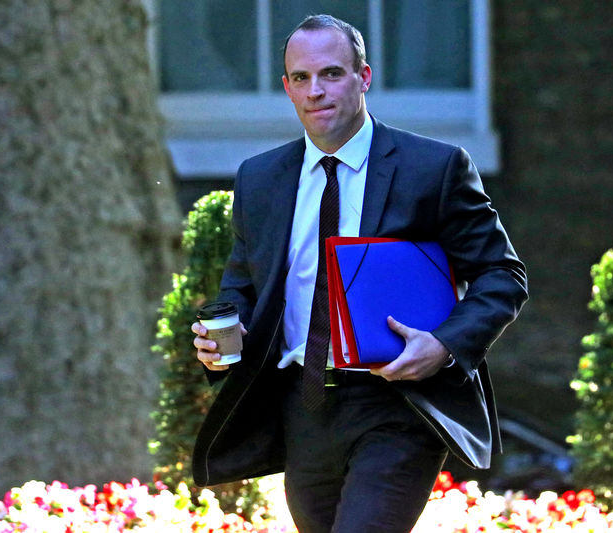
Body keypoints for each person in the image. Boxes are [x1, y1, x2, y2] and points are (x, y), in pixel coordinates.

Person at [191, 14, 528, 533]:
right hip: (303, 406)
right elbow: (244, 286)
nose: (315, 91)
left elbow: (502, 275)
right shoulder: (259, 179)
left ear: (363, 77)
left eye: (331, 74)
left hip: (397, 404)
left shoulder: (432, 168)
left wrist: (443, 344)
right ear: (286, 87)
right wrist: (223, 340)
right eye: (300, 79)